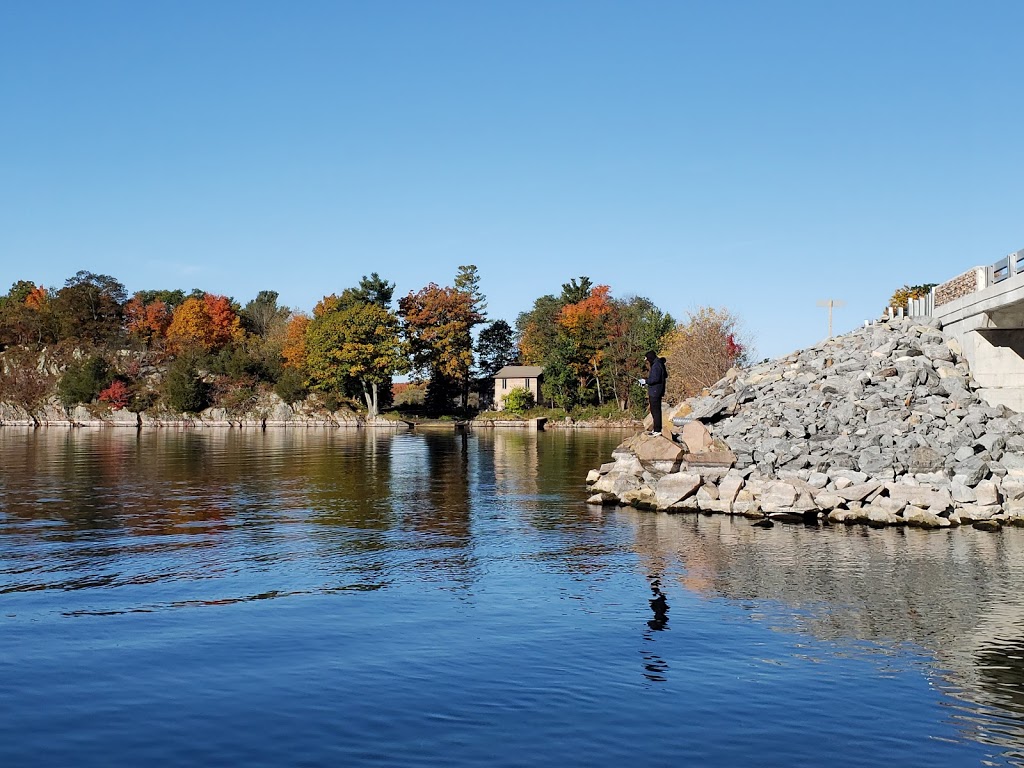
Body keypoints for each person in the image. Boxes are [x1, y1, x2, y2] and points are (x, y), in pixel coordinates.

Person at [640, 351, 666, 436]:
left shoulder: (656, 365)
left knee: (656, 411)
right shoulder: (658, 364)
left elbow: (655, 379)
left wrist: (646, 381)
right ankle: (656, 429)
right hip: (656, 390)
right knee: (655, 410)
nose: (647, 361)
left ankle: (657, 430)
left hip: (655, 391)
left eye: (647, 359)